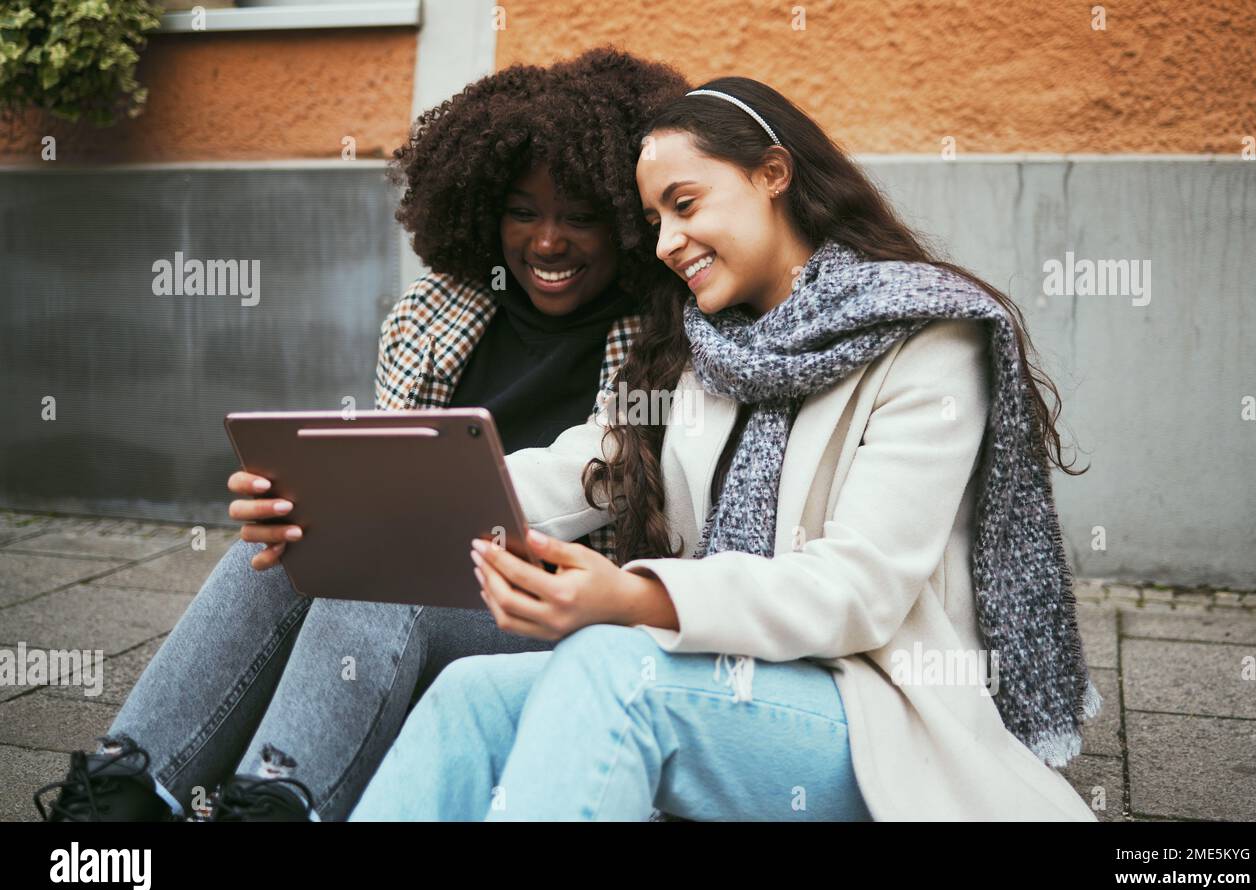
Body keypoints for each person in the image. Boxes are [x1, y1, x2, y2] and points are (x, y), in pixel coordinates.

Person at [350, 77, 1103, 822]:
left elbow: (857, 591)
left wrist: (637, 598)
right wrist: (367, 496)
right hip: (724, 679)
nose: (667, 243)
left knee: (614, 667)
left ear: (773, 174)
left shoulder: (929, 338)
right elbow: (580, 467)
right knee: (469, 695)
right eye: (653, 221)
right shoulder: (700, 343)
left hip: (871, 711)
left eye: (686, 205)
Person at [32, 47, 691, 823]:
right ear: (484, 208)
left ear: (627, 218)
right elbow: (376, 467)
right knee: (278, 555)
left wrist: (404, 519)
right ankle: (120, 797)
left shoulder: (663, 339)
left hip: (552, 609)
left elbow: (609, 474)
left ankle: (277, 804)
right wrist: (302, 502)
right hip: (417, 581)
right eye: (523, 210)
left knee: (380, 580)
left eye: (580, 216)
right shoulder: (435, 313)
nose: (547, 242)